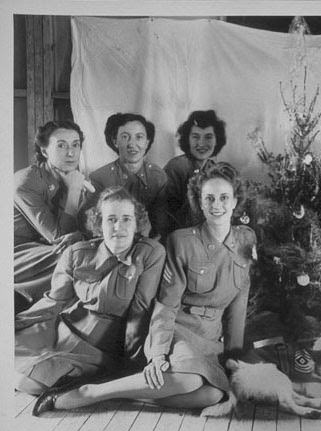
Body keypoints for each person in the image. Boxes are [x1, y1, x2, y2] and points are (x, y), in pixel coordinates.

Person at [31, 162, 256, 415]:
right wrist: (158, 354)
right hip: (177, 330)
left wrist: (234, 357)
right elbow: (166, 304)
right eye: (210, 198)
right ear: (200, 203)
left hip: (210, 338)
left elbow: (239, 305)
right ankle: (88, 394)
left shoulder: (247, 239)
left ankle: (121, 394)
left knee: (212, 394)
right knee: (191, 381)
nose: (217, 205)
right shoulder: (181, 241)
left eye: (224, 198)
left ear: (236, 201)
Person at [15, 186, 165, 395]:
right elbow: (54, 302)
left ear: (137, 222)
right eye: (111, 219)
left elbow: (140, 311)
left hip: (100, 349)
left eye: (126, 219)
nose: (118, 227)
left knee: (29, 382)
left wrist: (131, 366)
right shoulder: (77, 253)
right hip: (60, 331)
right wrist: (15, 323)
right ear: (99, 223)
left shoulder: (150, 253)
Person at [14, 120, 88, 310]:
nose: (71, 153)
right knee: (73, 256)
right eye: (61, 145)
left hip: (41, 251)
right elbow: (58, 238)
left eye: (75, 145)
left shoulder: (71, 176)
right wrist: (74, 191)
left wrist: (81, 234)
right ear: (45, 151)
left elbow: (87, 226)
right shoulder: (27, 181)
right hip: (16, 254)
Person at [89, 113, 168, 240]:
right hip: (111, 242)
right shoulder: (99, 178)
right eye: (125, 137)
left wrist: (146, 247)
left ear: (147, 142)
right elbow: (93, 227)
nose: (132, 144)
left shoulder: (158, 177)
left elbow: (161, 226)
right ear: (115, 141)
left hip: (149, 244)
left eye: (139, 137)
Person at [165, 110, 227, 232]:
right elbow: (167, 214)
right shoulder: (177, 167)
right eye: (195, 137)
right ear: (187, 139)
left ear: (217, 140)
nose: (201, 143)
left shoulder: (215, 169)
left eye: (208, 137)